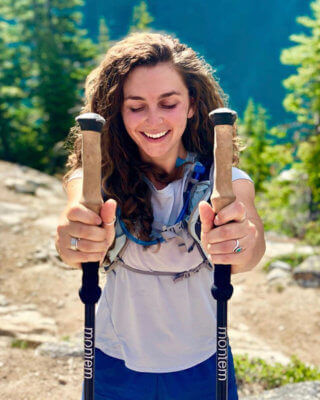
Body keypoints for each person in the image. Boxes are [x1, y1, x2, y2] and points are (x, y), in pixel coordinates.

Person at [55, 31, 266, 400]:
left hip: (203, 361)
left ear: (192, 104)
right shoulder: (95, 180)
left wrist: (239, 243)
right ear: (117, 111)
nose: (153, 120)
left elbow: (250, 247)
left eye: (168, 103)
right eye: (136, 106)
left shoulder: (225, 181)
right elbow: (75, 229)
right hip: (114, 358)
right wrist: (75, 240)